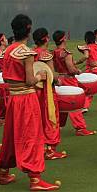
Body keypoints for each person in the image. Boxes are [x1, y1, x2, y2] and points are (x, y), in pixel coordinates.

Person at [0, 14, 61, 190]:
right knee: (31, 136)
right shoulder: (26, 52)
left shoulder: (7, 51)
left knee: (11, 135)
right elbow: (31, 80)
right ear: (28, 29)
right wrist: (42, 75)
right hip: (26, 97)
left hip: (13, 97)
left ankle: (3, 173)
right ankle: (35, 179)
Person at [52, 30, 96, 136]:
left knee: (62, 104)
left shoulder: (53, 53)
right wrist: (77, 71)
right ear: (64, 39)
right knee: (75, 103)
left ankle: (58, 126)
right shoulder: (66, 53)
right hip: (69, 79)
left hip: (59, 79)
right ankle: (80, 128)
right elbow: (71, 69)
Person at [32, 28, 67, 161]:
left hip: (34, 89)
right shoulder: (45, 54)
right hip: (46, 91)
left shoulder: (31, 53)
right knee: (51, 117)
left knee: (39, 118)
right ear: (46, 39)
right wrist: (59, 79)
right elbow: (51, 74)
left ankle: (39, 147)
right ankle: (50, 149)